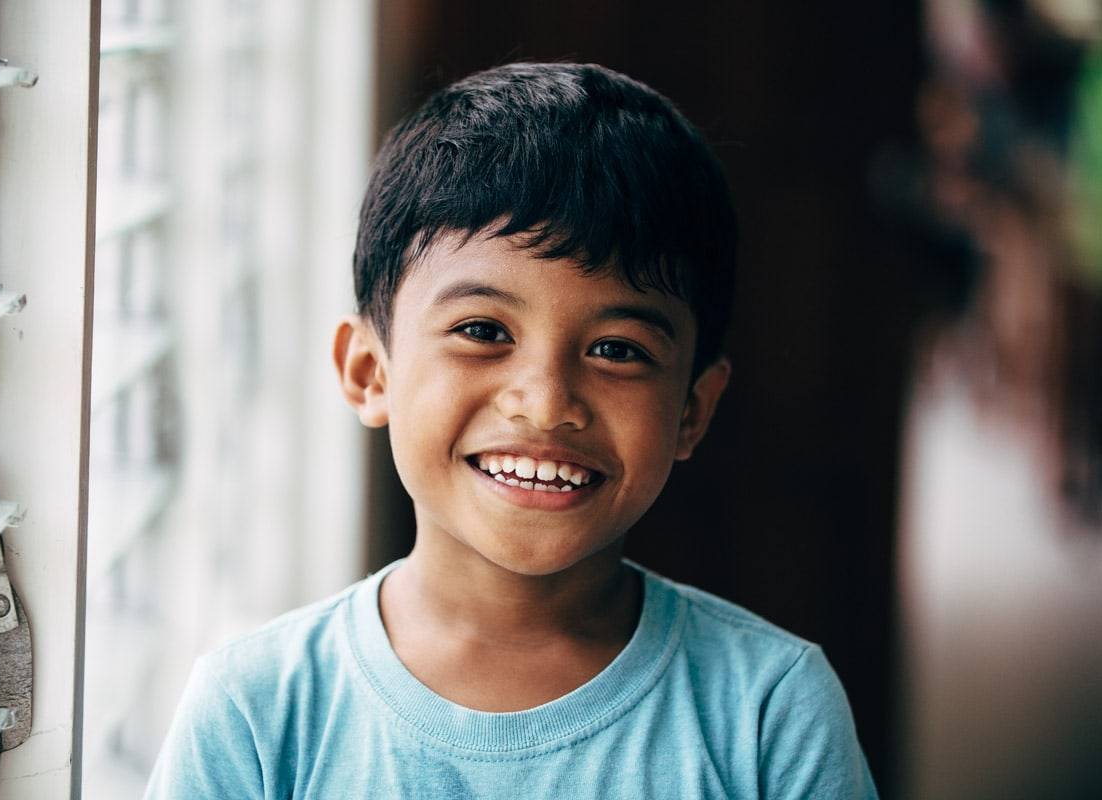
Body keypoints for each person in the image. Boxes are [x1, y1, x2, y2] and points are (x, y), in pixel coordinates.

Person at [144, 62, 878, 799]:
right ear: (371, 372)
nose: (545, 402)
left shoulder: (768, 713)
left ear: (692, 409)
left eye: (617, 350)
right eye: (482, 329)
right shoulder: (257, 715)